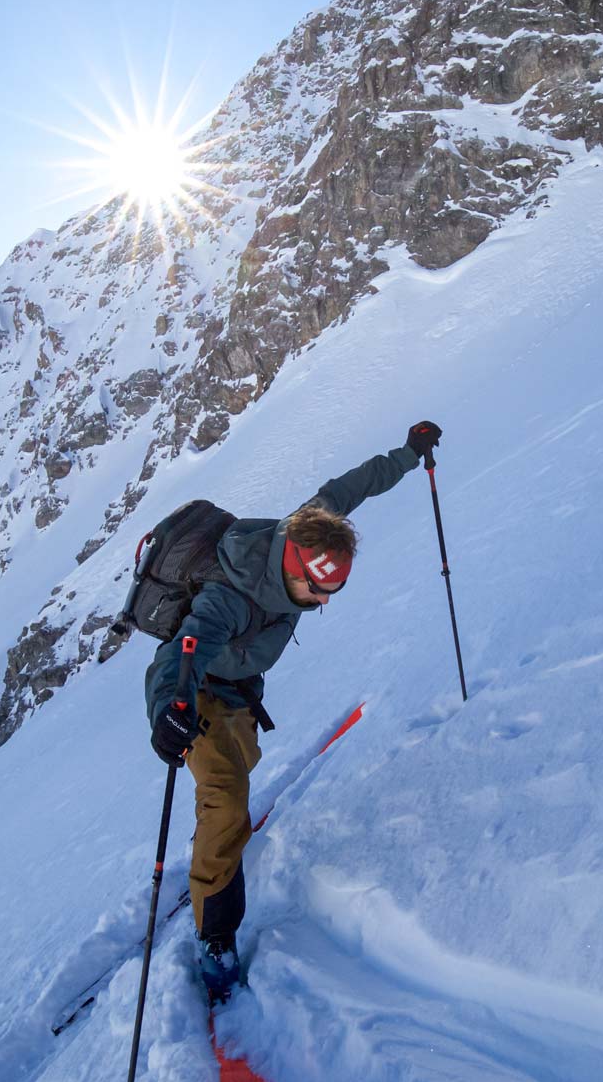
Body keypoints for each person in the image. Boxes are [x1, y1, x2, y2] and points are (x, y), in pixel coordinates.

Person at [147, 420, 442, 999]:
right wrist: (166, 713)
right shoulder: (229, 599)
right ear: (291, 572)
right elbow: (182, 654)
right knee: (226, 801)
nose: (324, 605)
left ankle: (218, 840)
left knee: (238, 771)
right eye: (318, 593)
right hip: (195, 690)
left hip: (238, 691)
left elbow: (352, 486)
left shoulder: (306, 528)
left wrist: (409, 454)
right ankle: (216, 938)